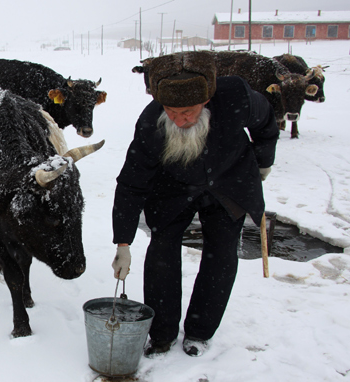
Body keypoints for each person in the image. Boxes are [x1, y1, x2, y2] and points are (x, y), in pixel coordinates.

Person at [111, 51, 279, 358]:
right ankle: (161, 335)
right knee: (162, 250)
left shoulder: (235, 97)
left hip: (230, 181)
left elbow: (267, 121)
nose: (180, 119)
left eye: (188, 111)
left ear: (206, 101)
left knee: (222, 254)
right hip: (172, 188)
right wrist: (123, 242)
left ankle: (201, 332)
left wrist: (264, 162)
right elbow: (131, 183)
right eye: (171, 111)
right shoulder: (152, 123)